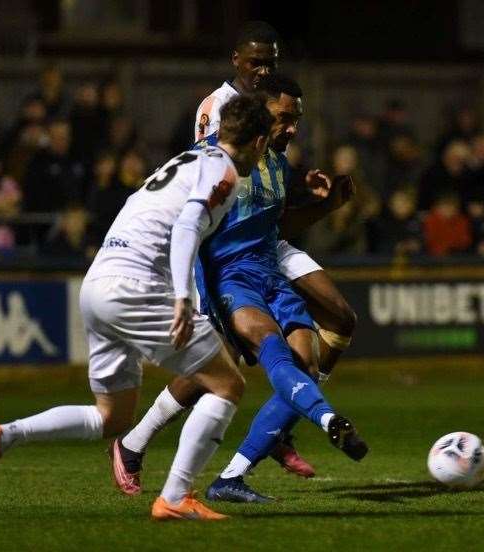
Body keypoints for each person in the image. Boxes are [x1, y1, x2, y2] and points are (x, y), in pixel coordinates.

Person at [0, 94, 272, 521]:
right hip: (137, 287)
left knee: (110, 418)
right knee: (228, 385)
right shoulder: (224, 173)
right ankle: (176, 497)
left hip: (98, 285)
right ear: (258, 141)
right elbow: (186, 227)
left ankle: (5, 436)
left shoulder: (190, 159)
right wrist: (182, 296)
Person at [112, 74, 367, 504]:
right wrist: (188, 290)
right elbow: (182, 222)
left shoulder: (277, 165)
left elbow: (275, 226)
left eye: (296, 120)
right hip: (223, 276)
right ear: (260, 115)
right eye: (285, 118)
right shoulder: (212, 160)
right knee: (225, 370)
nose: (292, 128)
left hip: (266, 269)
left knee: (299, 366)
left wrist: (326, 206)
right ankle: (135, 444)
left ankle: (231, 472)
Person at [192, 20, 359, 475]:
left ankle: (292, 410)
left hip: (269, 236)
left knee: (341, 318)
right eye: (255, 63)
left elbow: (269, 172)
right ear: (237, 62)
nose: (263, 71)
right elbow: (217, 175)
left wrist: (303, 184)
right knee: (222, 367)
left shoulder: (277, 108)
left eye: (270, 62)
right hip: (235, 243)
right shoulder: (219, 108)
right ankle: (134, 442)